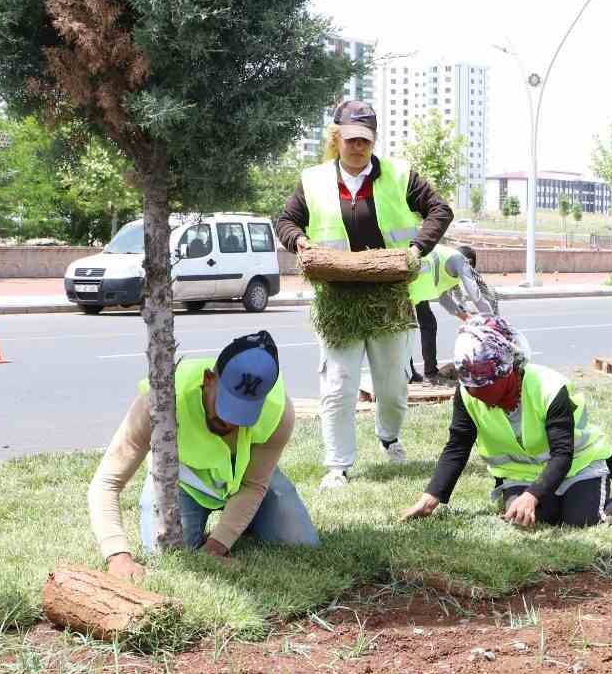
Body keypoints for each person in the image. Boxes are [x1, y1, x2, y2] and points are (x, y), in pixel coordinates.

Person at [276, 99, 454, 489]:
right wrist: (299, 241)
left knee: (392, 385)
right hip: (338, 297)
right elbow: (286, 220)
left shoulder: (400, 175)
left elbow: (440, 210)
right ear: (337, 137)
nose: (359, 147)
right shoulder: (314, 180)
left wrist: (416, 249)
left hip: (389, 295)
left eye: (366, 141)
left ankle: (389, 436)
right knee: (338, 384)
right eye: (352, 140)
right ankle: (337, 464)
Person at [89, 332, 317, 582]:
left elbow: (253, 484)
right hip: (184, 482)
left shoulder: (278, 412)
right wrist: (117, 555)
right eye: (226, 406)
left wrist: (217, 546)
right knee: (169, 554)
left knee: (301, 543)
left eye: (245, 413)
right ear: (209, 379)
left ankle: (245, 523)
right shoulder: (163, 401)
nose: (231, 421)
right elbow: (106, 482)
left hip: (244, 478)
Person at [401, 316, 612, 528]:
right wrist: (431, 496)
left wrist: (532, 495)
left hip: (578, 467)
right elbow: (457, 446)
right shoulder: (466, 394)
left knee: (581, 521)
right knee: (530, 520)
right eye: (468, 383)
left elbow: (563, 454)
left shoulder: (550, 388)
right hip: (521, 475)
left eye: (482, 383)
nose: (474, 391)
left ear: (507, 371)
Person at [409, 243, 497, 384]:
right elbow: (475, 295)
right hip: (412, 280)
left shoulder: (447, 265)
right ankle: (425, 373)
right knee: (414, 327)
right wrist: (492, 321)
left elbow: (443, 298)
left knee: (422, 325)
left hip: (418, 283)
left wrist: (466, 317)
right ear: (469, 262)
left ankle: (414, 372)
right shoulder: (459, 260)